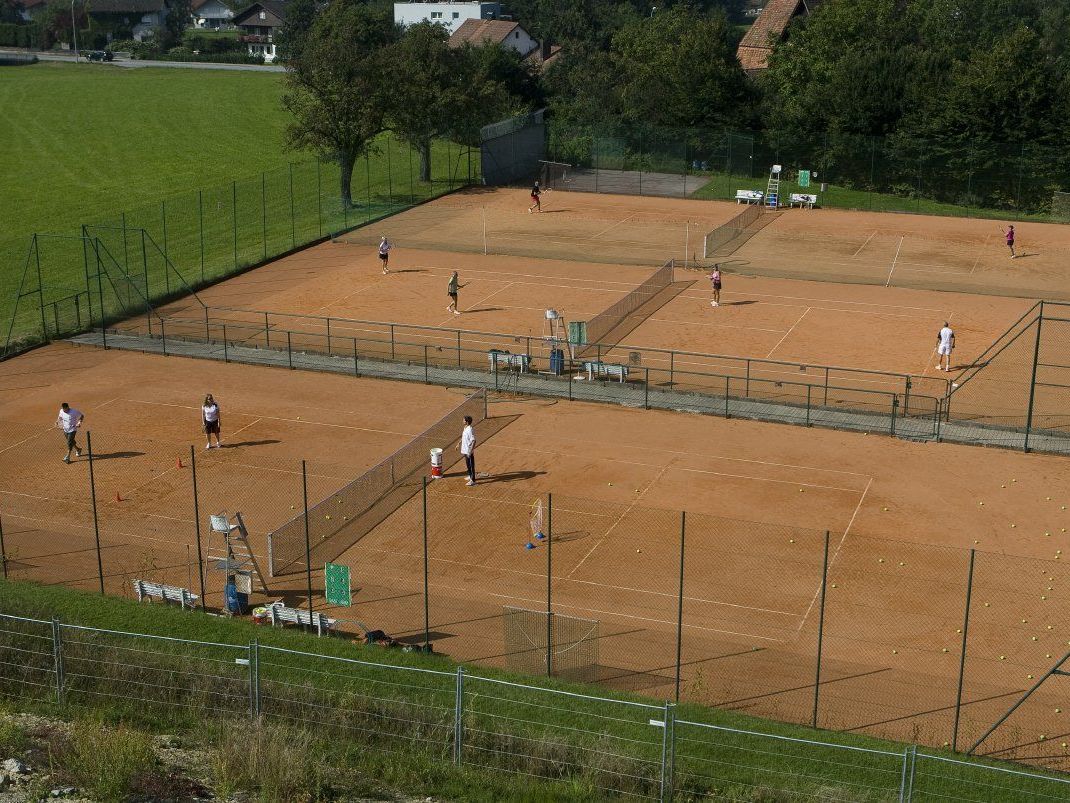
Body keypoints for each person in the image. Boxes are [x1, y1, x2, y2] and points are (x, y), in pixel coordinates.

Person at [460, 415, 477, 486]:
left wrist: (470, 451)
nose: (462, 421)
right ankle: (470, 476)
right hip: (465, 450)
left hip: (468, 451)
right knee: (468, 464)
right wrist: (458, 443)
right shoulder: (465, 428)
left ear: (466, 422)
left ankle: (473, 480)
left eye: (463, 420)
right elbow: (463, 437)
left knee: (471, 465)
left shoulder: (470, 430)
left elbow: (474, 440)